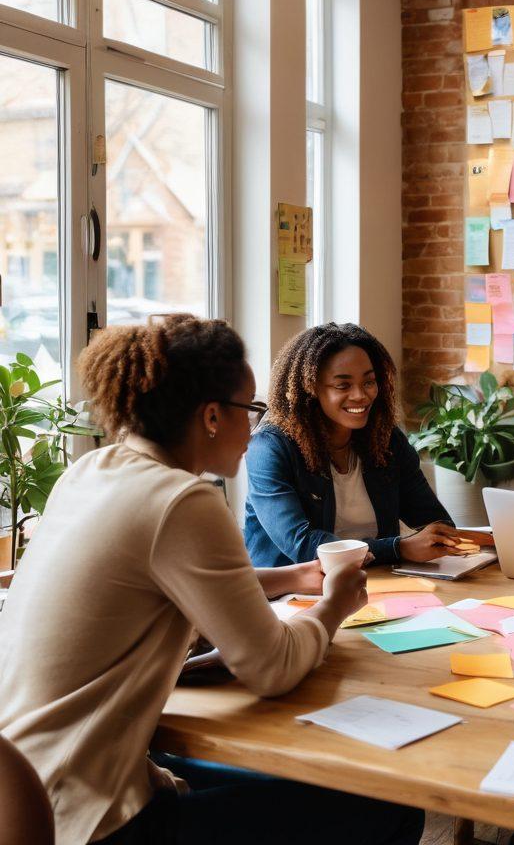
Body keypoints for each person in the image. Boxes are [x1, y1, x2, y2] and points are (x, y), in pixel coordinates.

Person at [0, 315, 424, 845]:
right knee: (390, 805)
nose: (257, 427)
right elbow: (273, 669)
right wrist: (336, 604)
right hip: (97, 816)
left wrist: (291, 576)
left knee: (291, 785)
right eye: (250, 409)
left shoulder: (92, 471)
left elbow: (167, 581)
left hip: (35, 790)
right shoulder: (181, 500)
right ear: (211, 417)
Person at [245, 322, 461, 569]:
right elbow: (303, 547)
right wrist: (397, 548)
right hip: (291, 595)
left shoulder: (385, 439)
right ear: (310, 388)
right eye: (343, 385)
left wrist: (437, 538)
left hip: (375, 584)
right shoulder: (269, 448)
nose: (361, 395)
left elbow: (435, 521)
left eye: (369, 382)